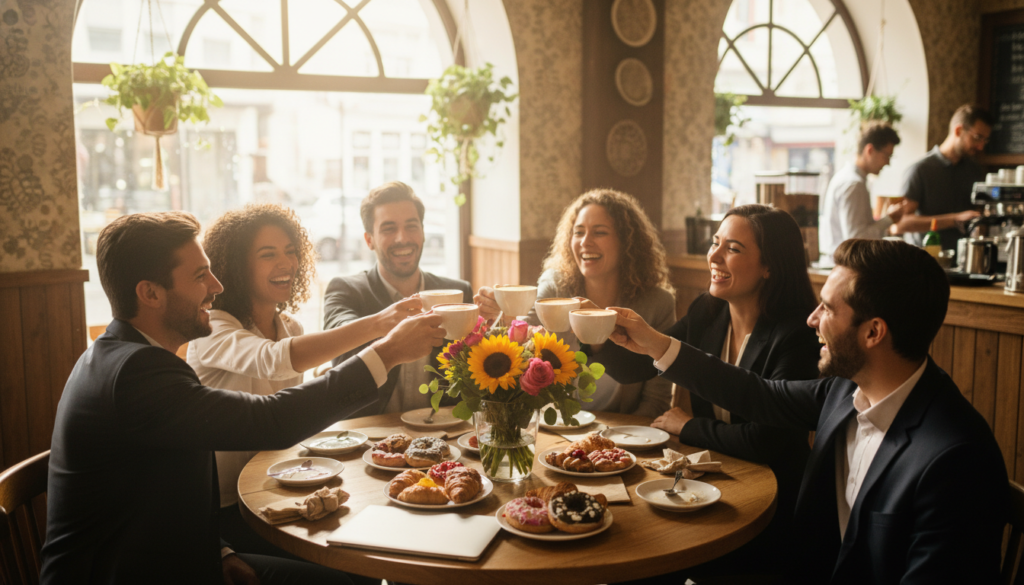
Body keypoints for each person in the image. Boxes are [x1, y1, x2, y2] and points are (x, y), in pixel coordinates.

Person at [41, 211, 445, 584]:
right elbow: (272, 421)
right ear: (150, 293)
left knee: (358, 569)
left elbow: (153, 493)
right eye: (201, 275)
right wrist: (387, 352)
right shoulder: (135, 374)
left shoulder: (128, 357)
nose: (216, 286)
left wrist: (217, 549)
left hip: (180, 556)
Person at [608, 238, 1008, 584]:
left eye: (828, 309)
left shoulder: (957, 459)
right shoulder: (846, 390)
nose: (812, 319)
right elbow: (758, 394)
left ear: (873, 332)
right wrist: (655, 344)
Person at [188, 203, 419, 562]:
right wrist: (380, 326)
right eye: (268, 255)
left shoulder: (290, 327)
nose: (287, 264)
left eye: (291, 252)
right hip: (226, 511)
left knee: (373, 547)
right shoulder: (213, 328)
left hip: (279, 490)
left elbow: (294, 408)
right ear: (236, 265)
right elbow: (274, 360)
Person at [595, 204, 820, 571]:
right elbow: (632, 367)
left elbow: (768, 441)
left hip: (770, 503)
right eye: (715, 242)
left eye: (733, 248)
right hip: (710, 483)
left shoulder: (796, 335)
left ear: (770, 266)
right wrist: (596, 332)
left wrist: (689, 427)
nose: (713, 255)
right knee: (636, 547)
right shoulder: (709, 310)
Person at [476, 189, 676, 417]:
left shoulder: (658, 303)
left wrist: (619, 442)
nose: (585, 242)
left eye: (600, 233)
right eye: (578, 232)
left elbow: (657, 400)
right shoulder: (555, 287)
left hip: (625, 436)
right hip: (558, 428)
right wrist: (502, 316)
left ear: (628, 242)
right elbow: (520, 346)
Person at [324, 181, 471, 416]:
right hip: (370, 436)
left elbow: (474, 377)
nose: (402, 238)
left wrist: (497, 321)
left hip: (445, 434)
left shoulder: (458, 292)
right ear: (369, 240)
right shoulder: (346, 291)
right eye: (388, 228)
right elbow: (341, 355)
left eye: (412, 226)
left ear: (423, 232)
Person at [896, 104, 989, 251]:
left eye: (985, 140)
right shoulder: (920, 169)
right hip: (923, 262)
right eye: (978, 138)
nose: (981, 147)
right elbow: (901, 223)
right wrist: (954, 219)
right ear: (958, 130)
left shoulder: (975, 169)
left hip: (964, 261)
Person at [820, 122, 906, 259]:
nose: (887, 163)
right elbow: (856, 239)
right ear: (869, 150)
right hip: (843, 265)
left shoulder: (847, 178)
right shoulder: (853, 184)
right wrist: (889, 219)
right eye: (886, 156)